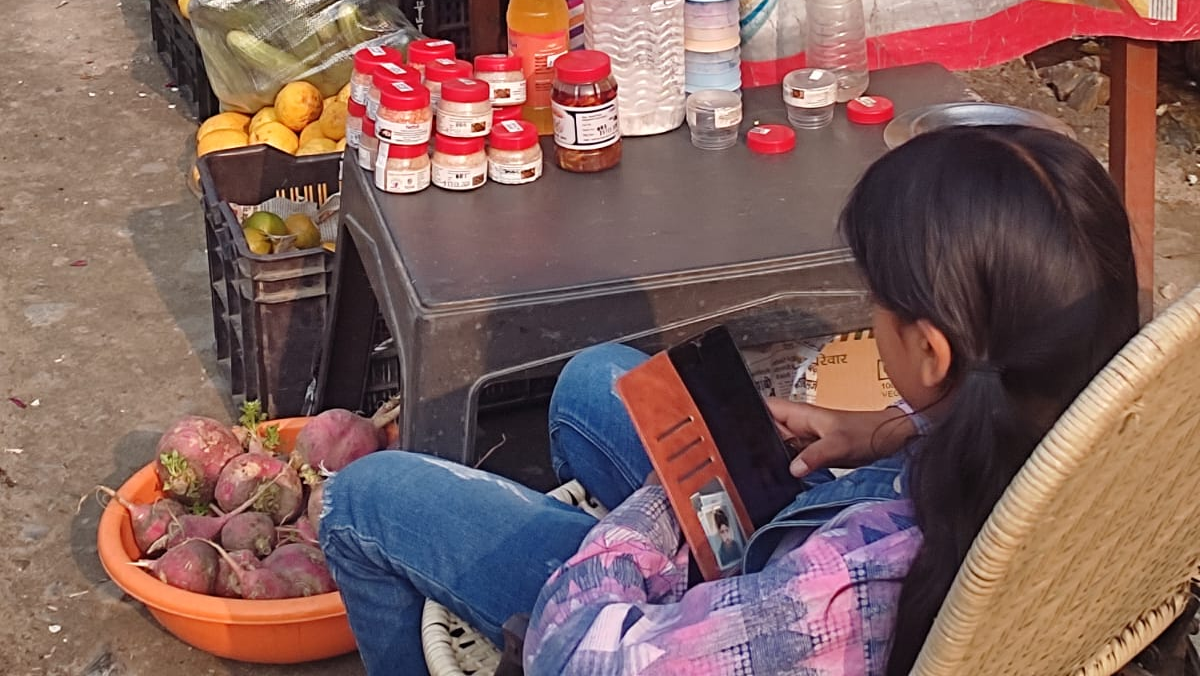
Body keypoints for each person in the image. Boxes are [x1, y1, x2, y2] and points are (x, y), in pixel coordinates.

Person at [320, 126, 1139, 676]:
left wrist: (666, 501)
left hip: (670, 630)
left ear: (930, 352)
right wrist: (889, 430)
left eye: (877, 300)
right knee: (595, 383)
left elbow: (581, 656)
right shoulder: (1103, 442)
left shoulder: (848, 590)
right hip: (833, 536)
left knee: (365, 498)